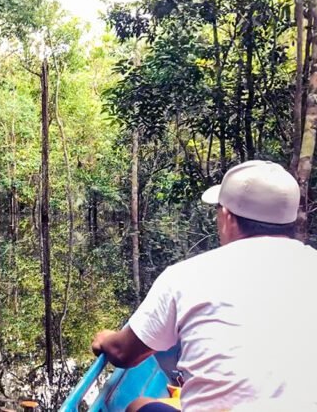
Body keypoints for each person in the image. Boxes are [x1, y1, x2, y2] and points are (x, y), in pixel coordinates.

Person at [90, 160, 317, 411]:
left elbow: (124, 354)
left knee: (138, 405)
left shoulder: (186, 276)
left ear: (228, 217)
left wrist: (106, 339)